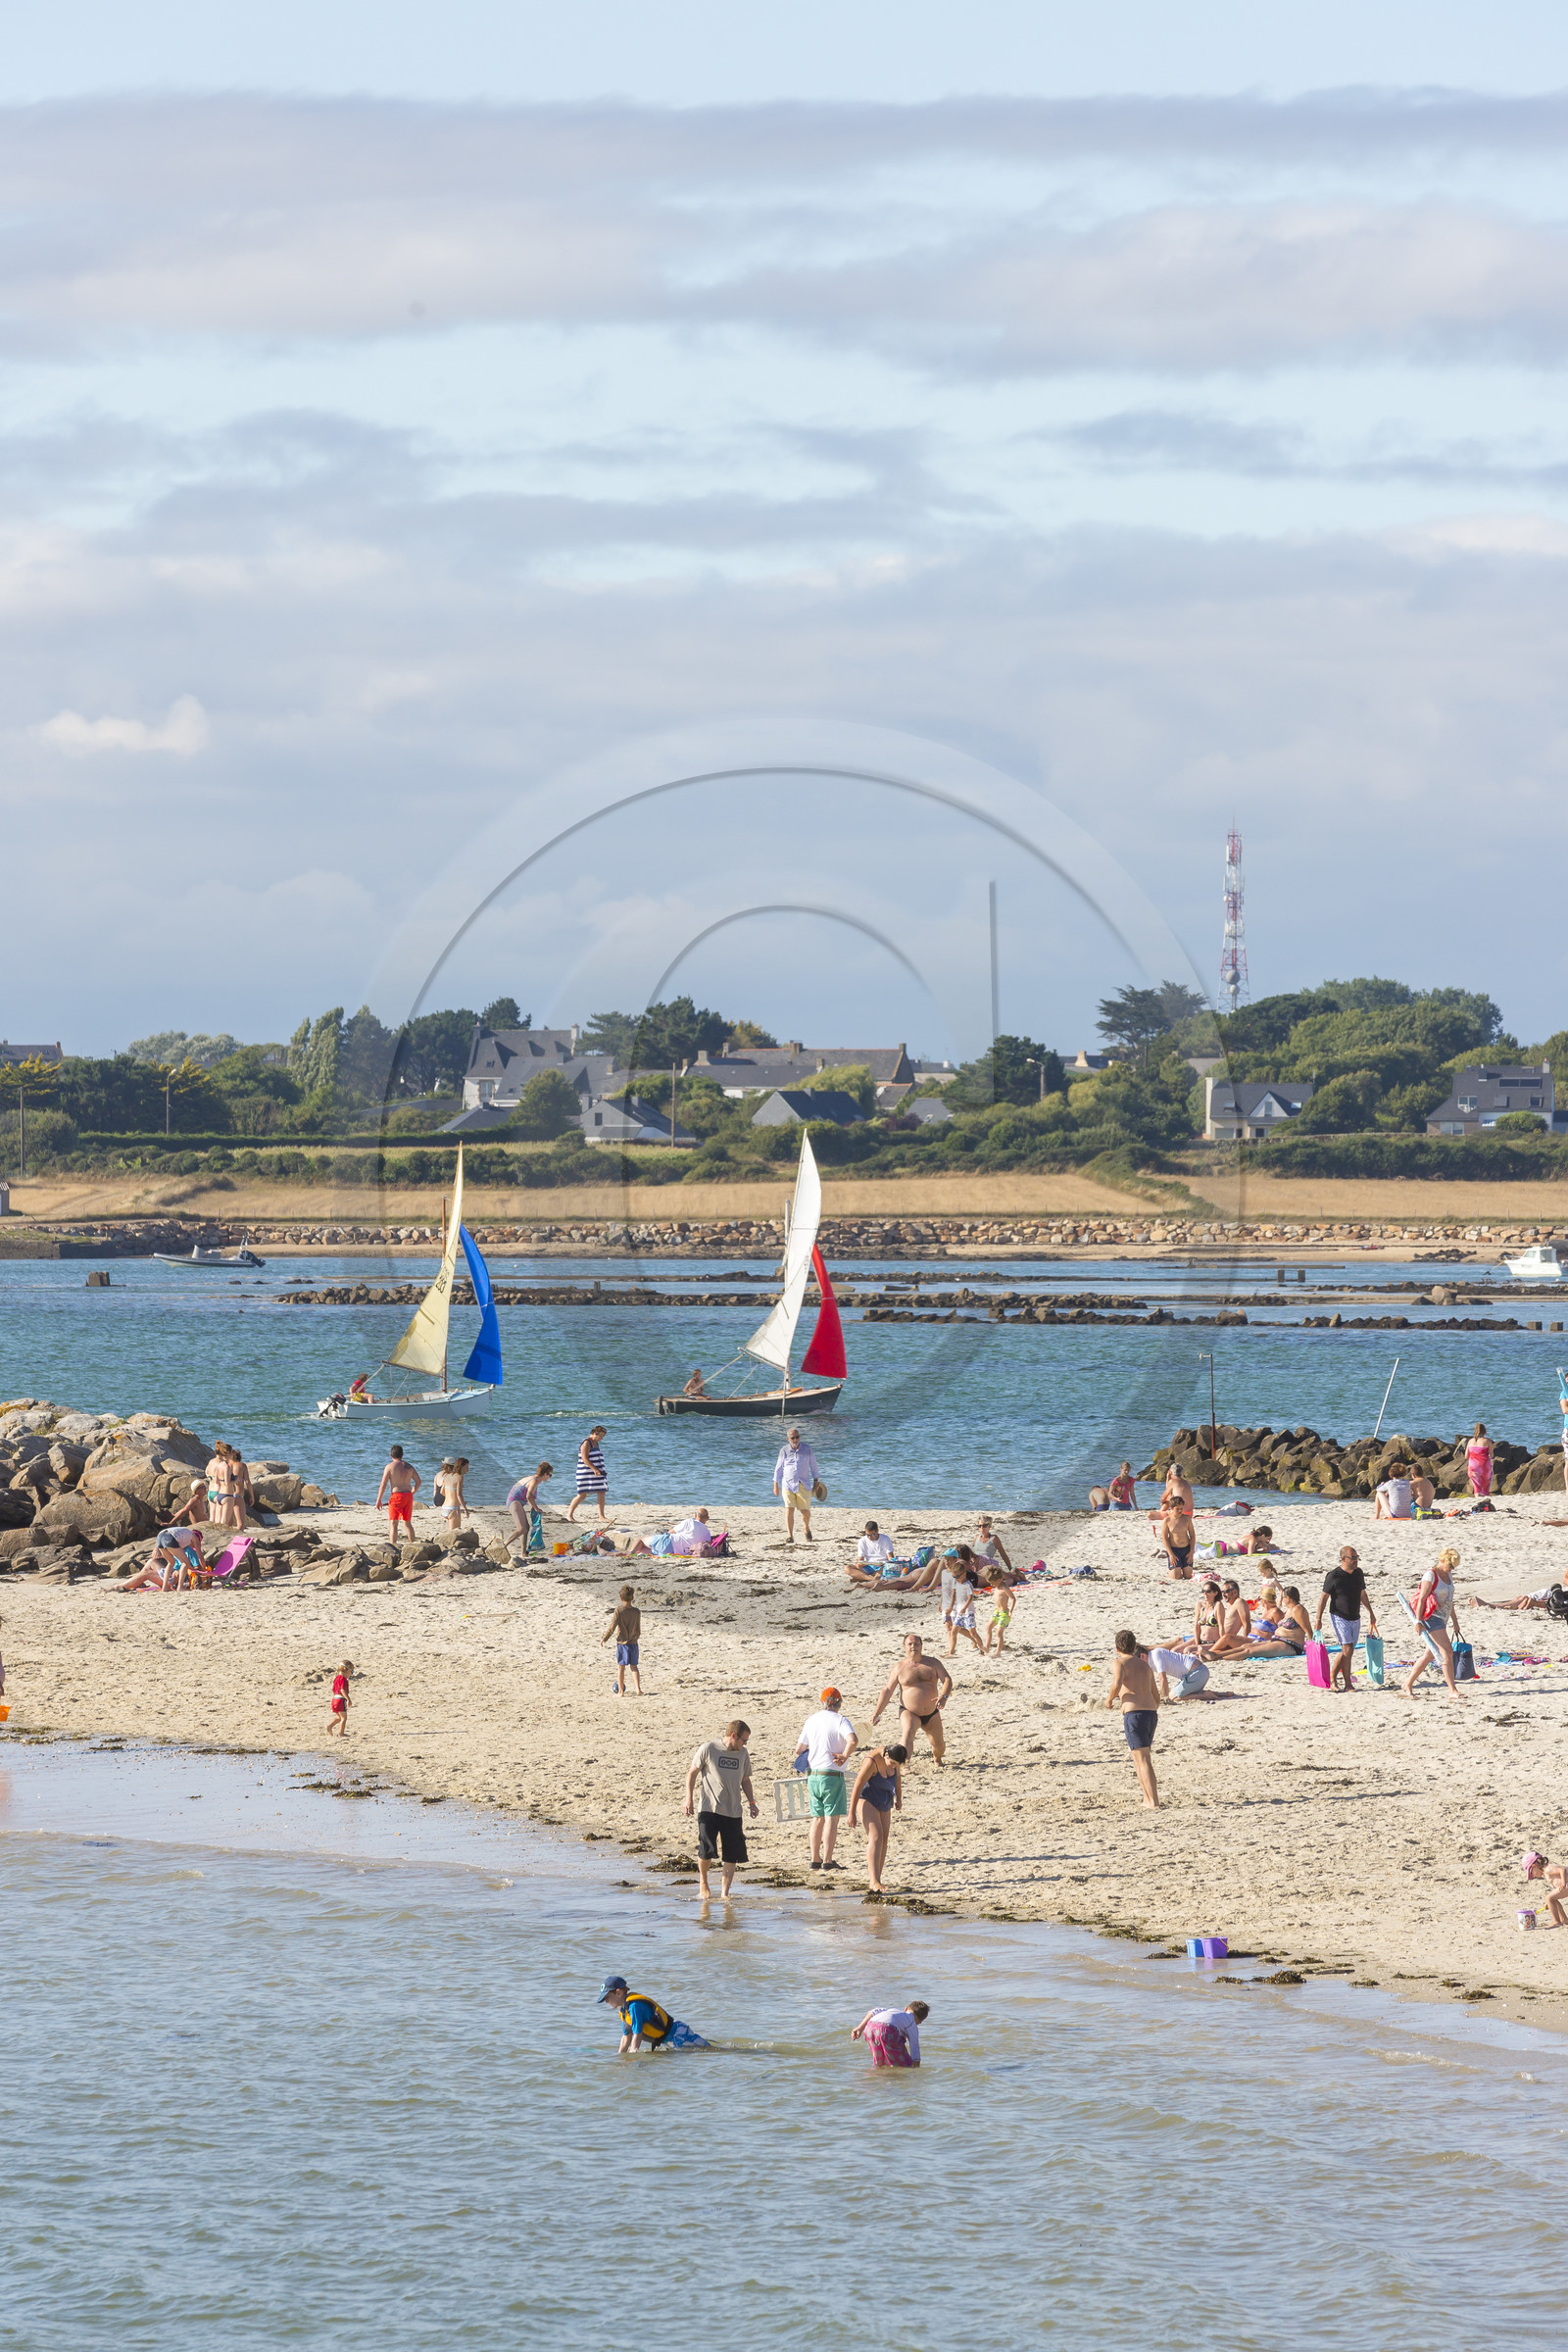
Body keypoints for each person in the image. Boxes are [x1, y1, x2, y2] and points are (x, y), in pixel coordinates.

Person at [683, 1720, 758, 1898]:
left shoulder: (743, 1754)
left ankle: (725, 1893)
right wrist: (689, 1799)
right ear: (733, 1735)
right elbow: (692, 1773)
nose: (745, 1744)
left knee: (731, 1855)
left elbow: (745, 1780)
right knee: (706, 1850)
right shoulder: (709, 1749)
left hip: (733, 1811)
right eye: (743, 1740)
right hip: (709, 1808)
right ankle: (703, 1881)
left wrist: (752, 1802)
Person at [793, 1687, 858, 1868]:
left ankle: (815, 1859)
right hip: (831, 1774)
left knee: (817, 1817)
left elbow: (799, 1749)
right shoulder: (841, 1720)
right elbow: (853, 1740)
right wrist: (844, 1755)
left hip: (813, 1775)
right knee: (831, 1817)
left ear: (823, 1702)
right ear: (839, 1703)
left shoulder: (812, 1720)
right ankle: (828, 1860)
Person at [871, 1633, 953, 1766]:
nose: (913, 1647)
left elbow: (947, 1680)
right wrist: (877, 1712)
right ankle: (904, 1766)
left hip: (932, 1712)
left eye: (916, 1644)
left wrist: (944, 1696)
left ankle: (937, 1760)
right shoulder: (899, 1667)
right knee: (908, 1733)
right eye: (910, 1644)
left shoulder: (933, 1663)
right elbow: (887, 1690)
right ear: (905, 1647)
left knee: (939, 1745)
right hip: (909, 1711)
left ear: (921, 1646)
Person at [1104, 1631, 1160, 1809]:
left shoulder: (1119, 1662)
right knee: (1140, 1758)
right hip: (1150, 1713)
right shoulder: (1145, 1666)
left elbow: (1117, 1683)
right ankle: (1146, 1798)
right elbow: (1155, 1694)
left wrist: (1109, 1699)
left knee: (1142, 1759)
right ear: (1135, 1647)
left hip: (1134, 1714)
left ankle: (1153, 1801)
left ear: (1117, 1648)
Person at [1403, 1546, 1465, 1699]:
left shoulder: (1449, 1575)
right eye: (1450, 1565)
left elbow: (1450, 1601)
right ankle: (1452, 1690)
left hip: (1442, 1619)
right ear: (1442, 1560)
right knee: (1447, 1652)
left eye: (1453, 1567)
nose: (1451, 1569)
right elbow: (1422, 1599)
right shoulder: (1430, 1575)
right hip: (1431, 1618)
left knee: (1429, 1655)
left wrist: (1455, 1622)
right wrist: (1418, 1622)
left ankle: (1407, 1684)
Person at [1316, 1544, 1378, 1691]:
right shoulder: (1333, 1576)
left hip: (1355, 1616)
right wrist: (1318, 1619)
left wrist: (1371, 1612)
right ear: (1343, 1559)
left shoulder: (1358, 1573)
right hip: (1339, 1616)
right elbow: (1324, 1598)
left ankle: (1332, 1678)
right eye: (1353, 1558)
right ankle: (1347, 1684)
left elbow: (1362, 1594)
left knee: (1347, 1651)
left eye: (1357, 1558)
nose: (1356, 1561)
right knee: (1348, 1648)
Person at [848, 1741, 907, 1892]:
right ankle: (874, 1881)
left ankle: (877, 1880)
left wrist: (899, 1798)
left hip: (885, 1798)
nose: (894, 1766)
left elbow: (898, 1779)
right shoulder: (872, 1761)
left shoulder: (896, 1758)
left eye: (897, 1765)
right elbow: (857, 1785)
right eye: (892, 1763)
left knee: (884, 1839)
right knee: (875, 1836)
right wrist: (851, 1812)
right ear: (886, 1755)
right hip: (867, 1798)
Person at [597, 1975, 709, 2052]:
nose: (606, 2002)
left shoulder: (634, 2007)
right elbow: (626, 2037)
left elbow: (637, 2034)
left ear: (618, 1993)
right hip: (668, 2041)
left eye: (607, 1998)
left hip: (679, 2034)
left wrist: (633, 2054)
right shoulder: (623, 2012)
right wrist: (621, 2058)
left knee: (709, 2051)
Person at [117, 1525, 204, 1592]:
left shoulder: (182, 1540)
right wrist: (204, 1569)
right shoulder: (193, 1539)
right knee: (185, 1563)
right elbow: (200, 1557)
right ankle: (180, 1587)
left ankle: (165, 1587)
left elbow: (168, 1535)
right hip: (169, 1537)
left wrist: (157, 1548)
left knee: (170, 1562)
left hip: (160, 1536)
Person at [1236, 1585, 1312, 1658]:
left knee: (1249, 1651)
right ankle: (1223, 1657)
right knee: (1245, 1646)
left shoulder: (1298, 1609)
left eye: (1282, 1597)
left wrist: (1311, 1650)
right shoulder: (1288, 1609)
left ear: (1288, 1598)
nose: (1282, 1600)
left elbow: (1308, 1631)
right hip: (1278, 1640)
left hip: (1291, 1645)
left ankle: (1224, 1658)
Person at [773, 1426, 820, 1543]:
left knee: (805, 1511)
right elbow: (778, 1468)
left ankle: (806, 1527)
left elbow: (813, 1466)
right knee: (789, 1510)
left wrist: (816, 1480)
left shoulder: (807, 1449)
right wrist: (776, 1484)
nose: (795, 1439)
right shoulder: (784, 1450)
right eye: (792, 1437)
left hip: (803, 1484)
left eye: (797, 1437)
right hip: (787, 1485)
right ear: (788, 1439)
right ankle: (790, 1536)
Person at [852, 1999, 929, 2068]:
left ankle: (875, 2077)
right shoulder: (912, 2022)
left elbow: (874, 2011)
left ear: (906, 2008)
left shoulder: (893, 2011)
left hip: (869, 2028)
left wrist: (860, 2028)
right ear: (919, 2022)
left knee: (880, 2063)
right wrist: (916, 2068)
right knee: (904, 2065)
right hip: (887, 2030)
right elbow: (914, 2046)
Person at [375, 1445, 421, 1547]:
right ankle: (413, 1544)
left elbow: (383, 1484)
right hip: (408, 1495)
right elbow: (418, 1482)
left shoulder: (389, 1467)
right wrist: (412, 1492)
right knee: (408, 1523)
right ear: (402, 1455)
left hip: (396, 1496)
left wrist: (379, 1499)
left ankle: (393, 1546)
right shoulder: (409, 1467)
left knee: (393, 1523)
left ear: (391, 1455)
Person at [1147, 1642, 1224, 1701]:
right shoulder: (1156, 1652)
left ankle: (1205, 1695)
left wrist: (1165, 1698)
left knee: (1173, 1697)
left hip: (1197, 1673)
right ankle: (1223, 1694)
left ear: (1143, 1656)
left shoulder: (1155, 1657)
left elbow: (1162, 1678)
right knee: (1176, 1692)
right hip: (1197, 1672)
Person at [602, 1585, 642, 1695]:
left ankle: (620, 1691)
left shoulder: (618, 1611)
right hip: (633, 1643)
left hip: (622, 1643)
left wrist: (604, 1638)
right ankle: (638, 1689)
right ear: (632, 1598)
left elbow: (612, 1627)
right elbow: (638, 1628)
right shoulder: (636, 1612)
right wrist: (635, 1638)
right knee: (634, 1667)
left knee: (621, 1667)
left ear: (621, 1598)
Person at [507, 1461, 553, 1551]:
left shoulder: (535, 1479)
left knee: (525, 1528)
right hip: (514, 1502)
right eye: (550, 1475)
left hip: (517, 1502)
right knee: (522, 1528)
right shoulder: (535, 1480)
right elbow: (529, 1496)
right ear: (545, 1474)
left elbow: (529, 1497)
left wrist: (533, 1507)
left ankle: (523, 1553)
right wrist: (536, 1508)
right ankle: (504, 1545)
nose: (550, 1477)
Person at [567, 1426, 609, 1523]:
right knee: (582, 1495)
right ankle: (569, 1515)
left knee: (602, 1492)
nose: (602, 1438)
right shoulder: (587, 1442)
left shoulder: (596, 1443)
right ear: (595, 1433)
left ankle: (601, 1516)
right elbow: (584, 1458)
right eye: (601, 1436)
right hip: (586, 1473)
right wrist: (594, 1469)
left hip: (597, 1473)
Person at [944, 1556, 983, 1656]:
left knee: (973, 1632)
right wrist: (951, 1608)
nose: (956, 1579)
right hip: (959, 1612)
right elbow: (953, 1595)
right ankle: (951, 1652)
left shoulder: (968, 1584)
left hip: (968, 1612)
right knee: (954, 1631)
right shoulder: (957, 1583)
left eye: (957, 1576)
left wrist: (964, 1608)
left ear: (964, 1574)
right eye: (954, 1577)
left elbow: (970, 1598)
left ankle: (982, 1649)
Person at [1522, 1851, 1568, 1928]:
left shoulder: (1548, 1869)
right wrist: (1548, 1903)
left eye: (1531, 1873)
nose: (1533, 1876)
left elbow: (1562, 1870)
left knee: (1549, 1897)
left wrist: (1563, 1883)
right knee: (1552, 1899)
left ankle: (1556, 1921)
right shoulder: (1546, 1874)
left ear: (1534, 1866)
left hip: (1566, 1884)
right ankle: (1564, 1919)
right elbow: (1555, 1888)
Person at [1160, 1498, 1197, 1579]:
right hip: (1174, 1550)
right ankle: (1174, 1569)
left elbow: (1192, 1536)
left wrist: (1191, 1552)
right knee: (1175, 1577)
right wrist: (1171, 1554)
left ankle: (1183, 1567)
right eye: (1177, 1509)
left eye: (1181, 1508)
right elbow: (1165, 1538)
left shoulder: (1187, 1519)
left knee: (1188, 1576)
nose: (1180, 1511)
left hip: (1186, 1549)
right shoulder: (1167, 1520)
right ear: (1172, 1508)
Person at [434, 1457, 469, 1536]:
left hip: (445, 1508)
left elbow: (442, 1492)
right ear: (461, 1466)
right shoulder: (460, 1478)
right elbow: (459, 1495)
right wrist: (465, 1509)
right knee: (455, 1535)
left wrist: (450, 1495)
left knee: (451, 1534)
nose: (468, 1470)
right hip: (453, 1509)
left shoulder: (447, 1476)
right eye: (466, 1467)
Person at [1466, 1423, 1494, 1498]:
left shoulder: (1470, 1441)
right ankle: (1483, 1496)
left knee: (1476, 1484)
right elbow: (1491, 1455)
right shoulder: (1487, 1441)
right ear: (1484, 1431)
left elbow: (1466, 1456)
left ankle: (1477, 1497)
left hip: (1472, 1466)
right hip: (1484, 1465)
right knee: (1485, 1482)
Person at [329, 1659, 353, 1734]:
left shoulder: (336, 1678)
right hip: (340, 1700)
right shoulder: (343, 1679)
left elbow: (333, 1689)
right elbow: (342, 1690)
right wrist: (348, 1699)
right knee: (344, 1718)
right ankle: (341, 1733)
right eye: (351, 1672)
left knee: (339, 1717)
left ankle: (329, 1726)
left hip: (334, 1699)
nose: (351, 1674)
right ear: (346, 1670)